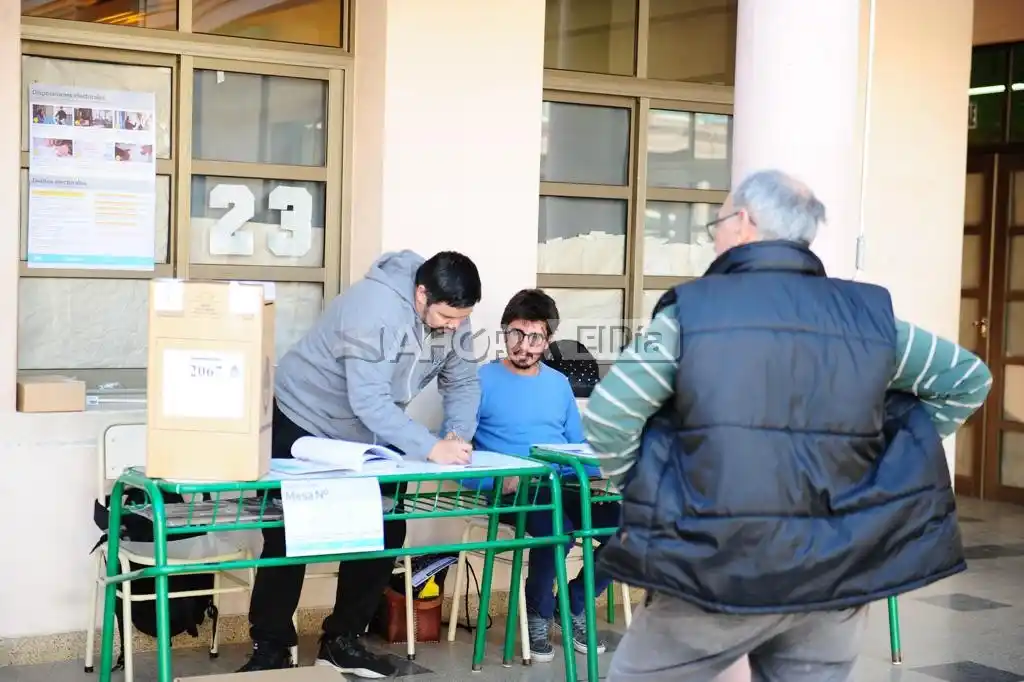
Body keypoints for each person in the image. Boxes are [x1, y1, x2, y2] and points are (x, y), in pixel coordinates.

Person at [583, 169, 992, 682]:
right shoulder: (870, 320)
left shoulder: (695, 314)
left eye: (717, 223)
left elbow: (610, 414)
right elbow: (966, 380)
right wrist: (886, 460)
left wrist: (653, 491)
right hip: (833, 575)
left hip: (714, 569)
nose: (714, 237)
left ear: (744, 223)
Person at [238, 250, 483, 678]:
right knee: (290, 533)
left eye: (461, 319)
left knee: (386, 528)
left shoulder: (453, 315)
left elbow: (463, 380)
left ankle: (342, 641)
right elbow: (368, 399)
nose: (453, 326)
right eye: (446, 316)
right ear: (421, 294)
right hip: (304, 418)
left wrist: (456, 436)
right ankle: (271, 647)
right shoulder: (374, 309)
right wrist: (428, 447)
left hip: (370, 434)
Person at [472, 289, 619, 662]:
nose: (524, 346)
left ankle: (572, 604)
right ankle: (538, 610)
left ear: (548, 339)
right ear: (504, 331)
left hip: (563, 483)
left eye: (535, 337)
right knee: (560, 529)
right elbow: (455, 452)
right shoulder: (479, 381)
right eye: (516, 334)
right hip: (515, 489)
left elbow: (577, 446)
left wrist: (606, 469)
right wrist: (493, 482)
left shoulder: (557, 383)